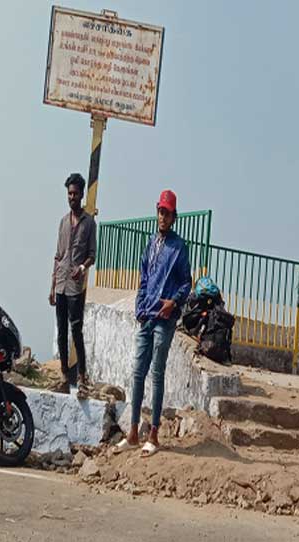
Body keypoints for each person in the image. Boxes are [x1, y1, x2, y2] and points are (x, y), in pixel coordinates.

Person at [116, 190, 191, 457]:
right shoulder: (151, 243)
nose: (163, 216)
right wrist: (139, 306)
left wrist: (173, 302)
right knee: (138, 373)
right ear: (157, 212)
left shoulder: (179, 248)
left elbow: (186, 282)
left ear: (173, 216)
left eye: (167, 213)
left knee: (156, 374)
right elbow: (144, 277)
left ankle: (155, 434)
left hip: (165, 318)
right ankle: (133, 432)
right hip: (147, 314)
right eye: (160, 211)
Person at [49, 173, 96, 397]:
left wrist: (82, 268)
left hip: (76, 285)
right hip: (60, 284)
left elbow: (92, 255)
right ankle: (64, 376)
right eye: (69, 194)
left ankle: (82, 377)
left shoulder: (89, 223)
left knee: (76, 330)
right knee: (61, 332)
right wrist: (52, 286)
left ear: (81, 194)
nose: (72, 197)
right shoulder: (62, 222)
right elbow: (58, 255)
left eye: (75, 194)